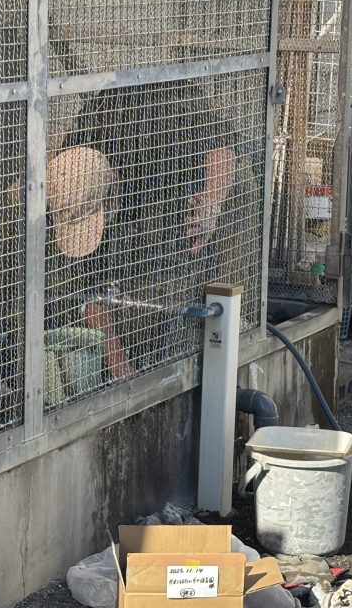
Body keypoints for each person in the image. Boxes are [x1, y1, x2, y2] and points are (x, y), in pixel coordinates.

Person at [45, 77, 241, 381]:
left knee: (203, 321)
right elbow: (86, 291)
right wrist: (124, 372)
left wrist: (210, 203)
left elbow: (222, 146)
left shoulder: (159, 114)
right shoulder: (75, 158)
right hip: (138, 239)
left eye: (97, 220)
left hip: (195, 212)